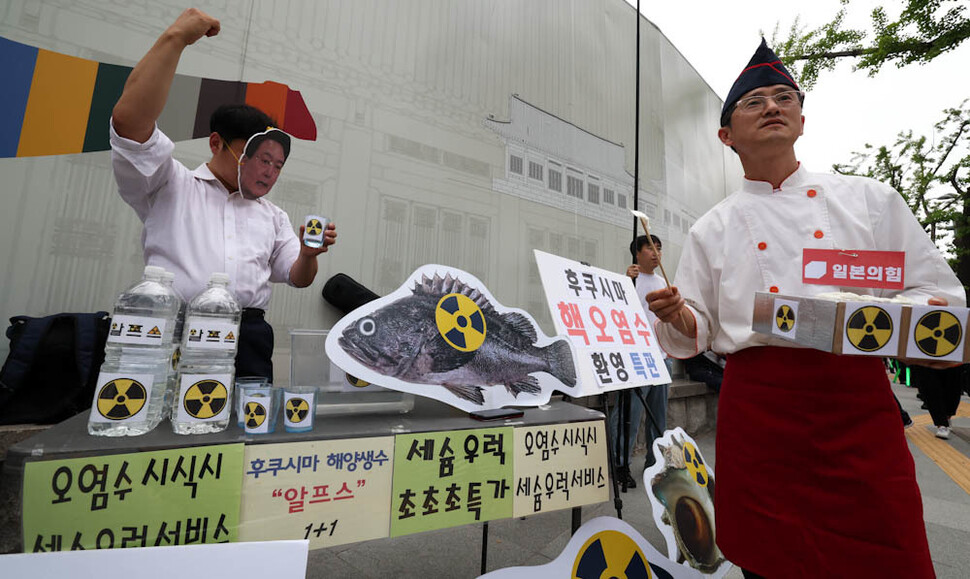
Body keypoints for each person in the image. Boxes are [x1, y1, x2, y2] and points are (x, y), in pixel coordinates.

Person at [645, 39, 964, 578]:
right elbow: (699, 329)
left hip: (856, 405)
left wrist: (885, 322)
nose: (772, 106)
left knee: (887, 550)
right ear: (726, 135)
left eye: (783, 97)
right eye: (754, 102)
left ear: (801, 118)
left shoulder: (870, 200)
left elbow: (938, 296)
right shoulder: (711, 228)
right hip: (761, 415)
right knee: (770, 558)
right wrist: (678, 316)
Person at [110, 8, 337, 381]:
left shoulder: (273, 217)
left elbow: (297, 277)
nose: (268, 171)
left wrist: (310, 255)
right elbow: (130, 124)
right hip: (173, 327)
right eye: (260, 158)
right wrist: (176, 38)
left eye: (278, 165)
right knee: (168, 423)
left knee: (246, 426)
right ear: (217, 143)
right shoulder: (169, 184)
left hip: (248, 335)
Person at [609, 234, 672, 489]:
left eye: (659, 248)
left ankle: (654, 464)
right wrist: (625, 281)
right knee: (629, 414)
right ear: (637, 253)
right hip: (636, 358)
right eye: (650, 248)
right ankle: (619, 464)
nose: (656, 253)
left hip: (662, 357)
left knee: (659, 417)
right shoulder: (628, 281)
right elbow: (615, 310)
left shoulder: (665, 282)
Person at [909, 364, 965, 439]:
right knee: (930, 386)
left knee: (953, 387)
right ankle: (941, 423)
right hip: (925, 359)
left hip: (954, 358)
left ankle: (947, 416)